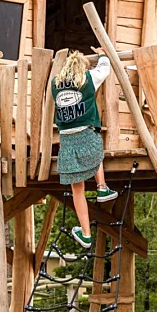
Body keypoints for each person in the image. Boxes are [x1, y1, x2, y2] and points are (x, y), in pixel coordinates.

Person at [52, 48, 119, 249]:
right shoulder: (88, 78)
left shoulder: (55, 84)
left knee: (77, 189)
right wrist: (102, 55)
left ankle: (86, 234)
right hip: (86, 132)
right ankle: (102, 188)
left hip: (66, 139)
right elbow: (104, 69)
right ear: (82, 67)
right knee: (95, 149)